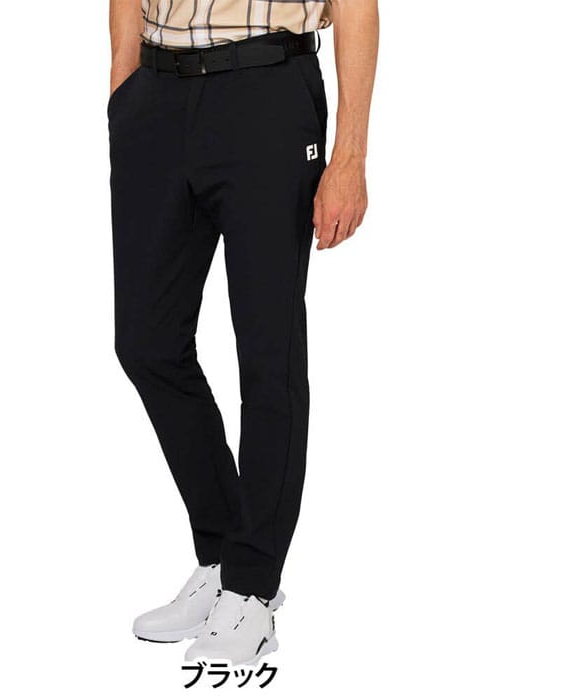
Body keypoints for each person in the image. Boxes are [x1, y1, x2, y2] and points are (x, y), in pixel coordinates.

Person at [107, 0, 379, 666]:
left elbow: (356, 7)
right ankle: (225, 553)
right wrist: (123, 87)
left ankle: (252, 587)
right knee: (146, 342)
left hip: (266, 91)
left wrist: (349, 157)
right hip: (157, 93)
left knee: (267, 351)